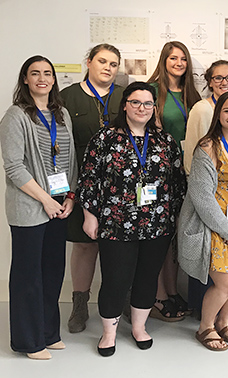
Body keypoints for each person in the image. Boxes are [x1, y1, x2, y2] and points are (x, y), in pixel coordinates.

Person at [77, 82, 186, 356]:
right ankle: (109, 333)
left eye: (148, 104)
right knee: (115, 279)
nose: (142, 108)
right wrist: (90, 216)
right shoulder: (104, 140)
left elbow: (177, 183)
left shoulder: (165, 141)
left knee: (147, 278)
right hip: (115, 223)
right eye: (136, 102)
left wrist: (172, 218)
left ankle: (139, 328)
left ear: (154, 108)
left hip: (156, 223)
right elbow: (88, 179)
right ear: (124, 104)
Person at [0, 55, 77, 360]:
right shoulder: (15, 116)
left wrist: (69, 197)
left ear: (54, 79)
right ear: (25, 80)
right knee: (28, 275)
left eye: (47, 73)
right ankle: (28, 341)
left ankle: (48, 332)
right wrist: (46, 200)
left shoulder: (62, 114)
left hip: (59, 205)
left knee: (52, 271)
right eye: (35, 73)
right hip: (30, 206)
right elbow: (14, 167)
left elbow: (69, 158)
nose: (42, 78)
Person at [178, 91, 228, 351]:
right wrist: (226, 230)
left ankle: (224, 323)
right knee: (227, 282)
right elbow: (201, 198)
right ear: (218, 115)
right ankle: (206, 327)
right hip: (209, 222)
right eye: (227, 111)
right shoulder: (206, 147)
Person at [60, 43, 124, 333]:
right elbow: (57, 145)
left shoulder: (125, 97)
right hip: (80, 183)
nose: (108, 68)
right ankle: (79, 305)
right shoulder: (67, 97)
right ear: (88, 62)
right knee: (84, 246)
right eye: (102, 61)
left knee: (117, 249)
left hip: (119, 186)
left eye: (113, 63)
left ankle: (116, 306)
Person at [147, 41, 201, 320]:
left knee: (173, 237)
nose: (179, 63)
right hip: (160, 173)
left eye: (183, 59)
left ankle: (171, 290)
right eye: (173, 58)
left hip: (186, 173)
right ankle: (157, 295)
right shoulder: (153, 91)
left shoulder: (193, 93)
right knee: (158, 236)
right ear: (164, 60)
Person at [183, 60, 228, 316]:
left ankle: (223, 311)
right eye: (218, 78)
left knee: (226, 254)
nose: (224, 82)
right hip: (205, 195)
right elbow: (191, 153)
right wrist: (198, 191)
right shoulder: (201, 109)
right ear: (209, 81)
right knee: (204, 253)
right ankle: (200, 309)